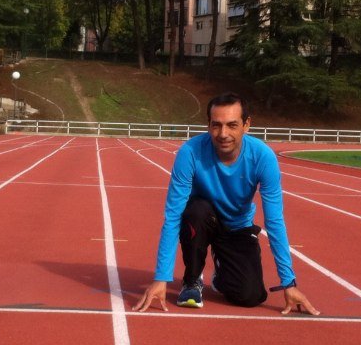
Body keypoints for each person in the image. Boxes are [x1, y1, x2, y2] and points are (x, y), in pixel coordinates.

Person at [133, 92, 319, 316]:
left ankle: (221, 274)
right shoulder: (190, 152)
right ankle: (192, 281)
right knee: (195, 211)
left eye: (232, 125)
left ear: (246, 125)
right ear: (208, 124)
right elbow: (173, 215)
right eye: (216, 125)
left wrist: (289, 283)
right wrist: (161, 278)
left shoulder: (263, 158)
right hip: (202, 220)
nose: (223, 134)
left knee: (251, 296)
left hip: (237, 227)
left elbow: (274, 220)